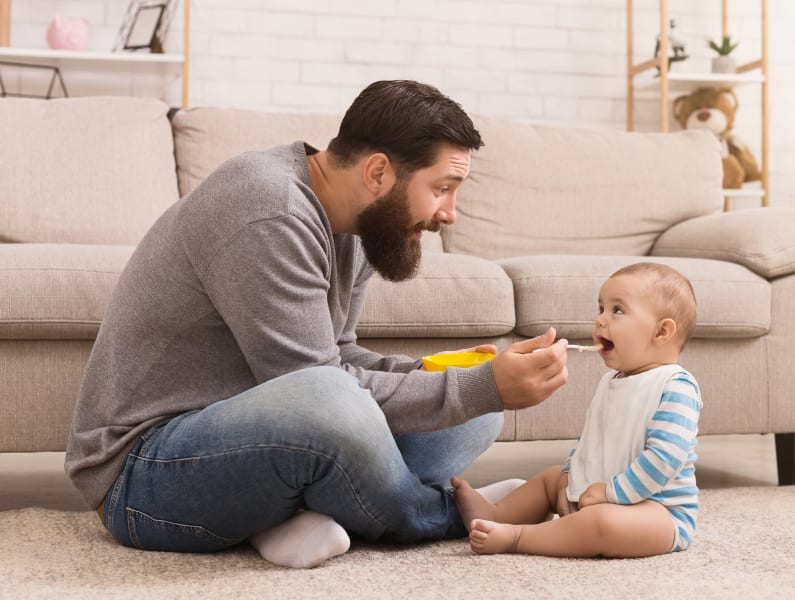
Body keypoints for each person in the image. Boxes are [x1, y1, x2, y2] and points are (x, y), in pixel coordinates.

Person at [64, 80, 569, 569]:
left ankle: (284, 518)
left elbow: (337, 354)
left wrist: (444, 374)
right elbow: (319, 390)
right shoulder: (268, 209)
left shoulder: (359, 222)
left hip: (262, 437)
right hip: (145, 472)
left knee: (477, 410)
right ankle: (449, 515)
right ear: (378, 173)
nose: (450, 214)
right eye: (442, 188)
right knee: (343, 402)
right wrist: (477, 388)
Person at [452, 262, 701, 558]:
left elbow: (663, 461)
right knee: (551, 477)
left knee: (602, 524)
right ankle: (495, 514)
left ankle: (519, 537)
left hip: (658, 511)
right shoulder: (610, 382)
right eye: (601, 309)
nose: (600, 321)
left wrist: (610, 493)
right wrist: (572, 475)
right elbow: (591, 443)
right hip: (601, 492)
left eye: (617, 310)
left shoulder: (676, 386)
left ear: (661, 332)